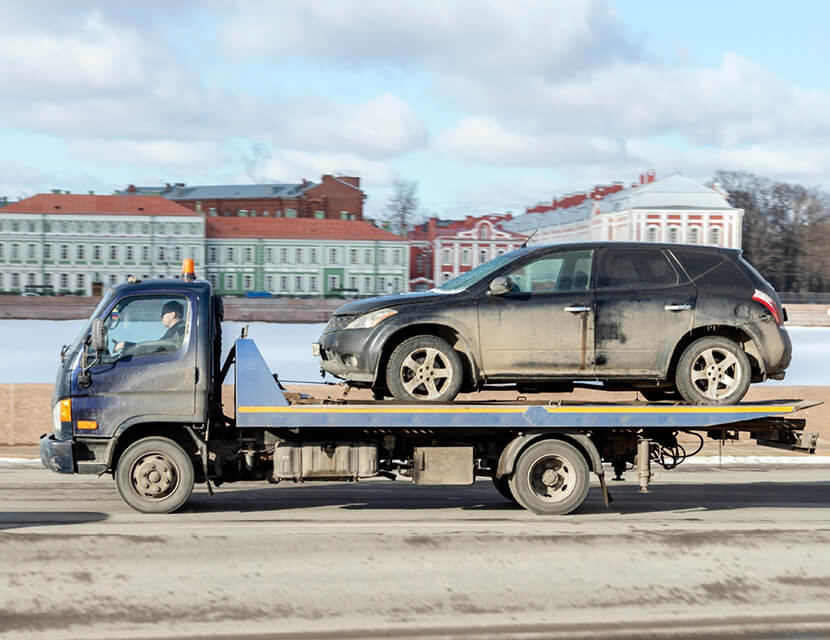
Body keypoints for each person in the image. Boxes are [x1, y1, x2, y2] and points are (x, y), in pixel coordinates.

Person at [114, 300, 185, 354]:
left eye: (163, 313)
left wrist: (125, 345)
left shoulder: (179, 332)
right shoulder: (178, 330)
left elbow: (156, 348)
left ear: (172, 315)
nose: (161, 317)